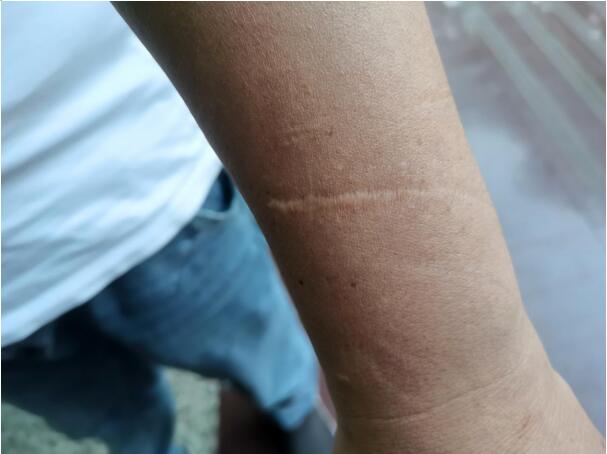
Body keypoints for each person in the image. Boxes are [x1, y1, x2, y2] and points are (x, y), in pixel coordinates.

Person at [2, 3, 603, 454]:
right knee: (118, 425)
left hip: (145, 193)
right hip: (12, 314)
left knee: (269, 361)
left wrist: (464, 396)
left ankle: (293, 417)